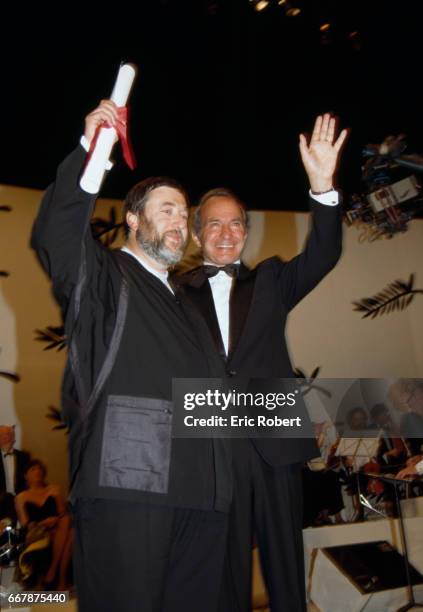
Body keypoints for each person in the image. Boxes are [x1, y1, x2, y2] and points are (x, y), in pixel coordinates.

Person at [31, 100, 231, 612]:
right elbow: (58, 231)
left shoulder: (188, 302)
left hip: (202, 494)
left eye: (183, 214)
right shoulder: (103, 279)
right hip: (130, 488)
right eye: (166, 208)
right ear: (133, 218)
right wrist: (89, 151)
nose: (178, 220)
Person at [176, 114, 347, 611]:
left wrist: (321, 185)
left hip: (273, 439)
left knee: (284, 568)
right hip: (209, 445)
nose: (226, 233)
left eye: (235, 223)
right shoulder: (173, 294)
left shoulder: (271, 281)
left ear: (246, 231)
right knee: (223, 569)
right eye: (214, 223)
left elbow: (324, 253)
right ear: (196, 234)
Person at [14, 459, 72, 590]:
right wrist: (44, 523)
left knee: (67, 523)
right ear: (26, 475)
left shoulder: (54, 489)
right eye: (33, 469)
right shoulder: (21, 497)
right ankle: (58, 576)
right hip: (37, 532)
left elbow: (62, 513)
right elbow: (25, 524)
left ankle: (56, 573)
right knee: (68, 533)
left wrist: (57, 497)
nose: (37, 471)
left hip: (57, 528)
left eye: (40, 469)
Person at [0, 425, 30, 529]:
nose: (8, 437)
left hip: (20, 498)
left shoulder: (24, 457)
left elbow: (29, 479)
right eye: (5, 435)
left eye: (11, 435)